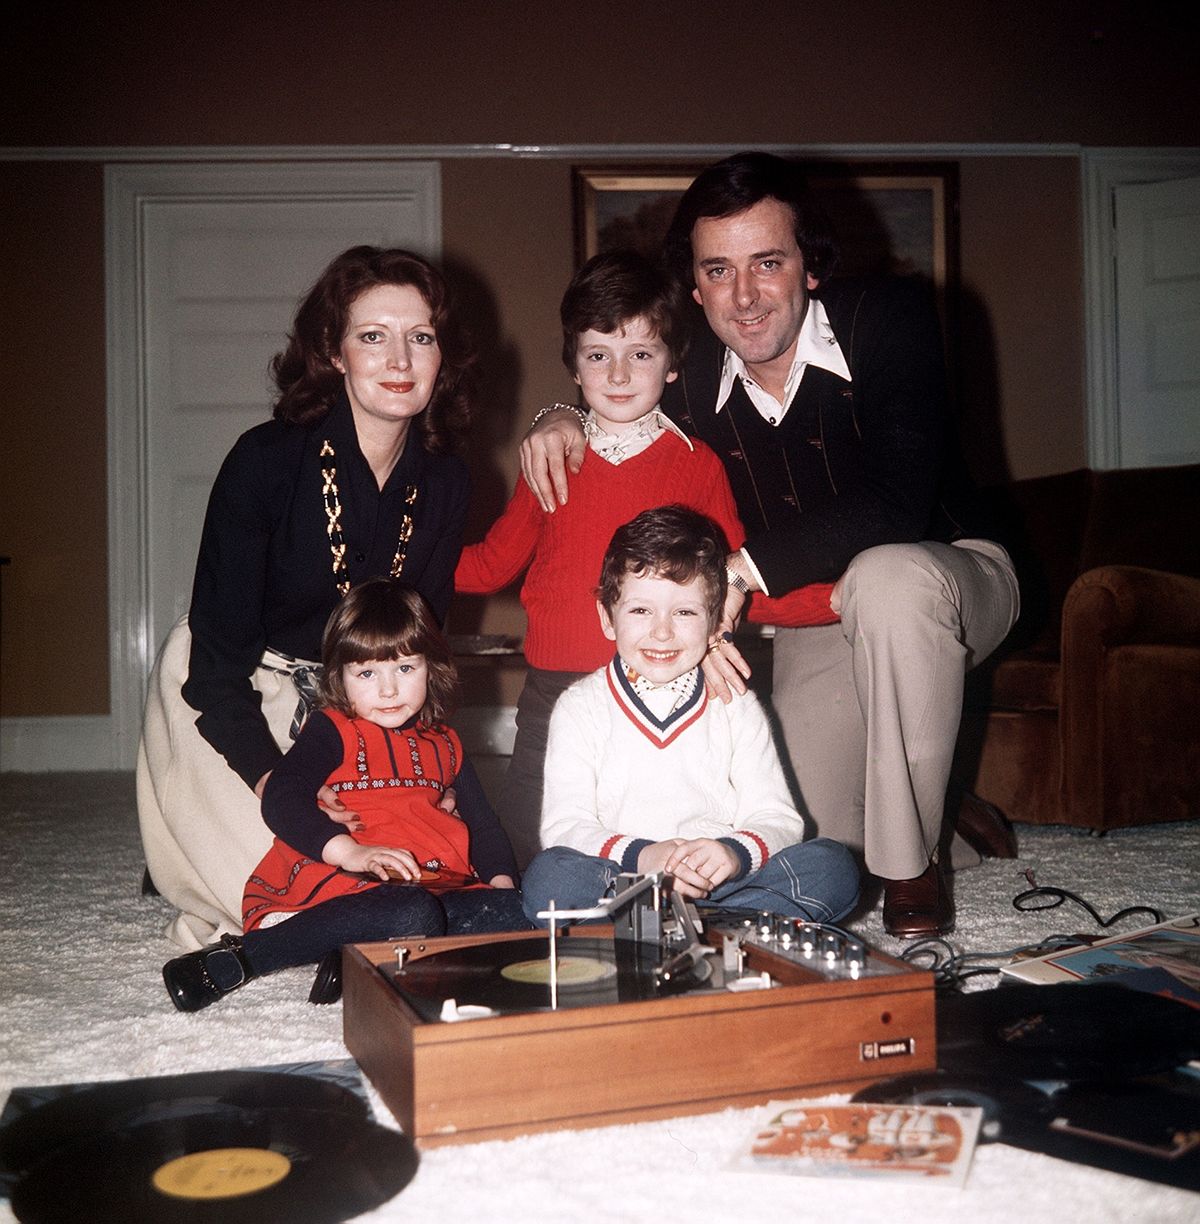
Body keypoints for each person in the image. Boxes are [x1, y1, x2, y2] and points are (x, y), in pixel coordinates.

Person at [520, 153, 1020, 938]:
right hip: (806, 610)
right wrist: (561, 416)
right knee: (817, 836)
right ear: (694, 286)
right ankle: (937, 795)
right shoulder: (688, 371)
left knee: (887, 580)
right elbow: (613, 386)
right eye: (718, 270)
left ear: (810, 267)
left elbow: (897, 502)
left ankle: (914, 864)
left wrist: (734, 578)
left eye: (768, 263)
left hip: (944, 576)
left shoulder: (888, 317)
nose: (744, 297)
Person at [139, 246, 475, 949]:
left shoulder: (446, 481)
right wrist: (270, 783)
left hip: (362, 697)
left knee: (427, 876)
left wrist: (435, 776)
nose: (400, 360)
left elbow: (420, 650)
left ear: (443, 356)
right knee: (281, 898)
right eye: (372, 337)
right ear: (334, 353)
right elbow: (214, 669)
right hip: (234, 688)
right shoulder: (263, 461)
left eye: (421, 337)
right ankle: (186, 823)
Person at [456, 251, 836, 868]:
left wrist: (834, 599)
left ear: (672, 366)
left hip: (668, 684)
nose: (618, 372)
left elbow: (735, 578)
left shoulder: (696, 465)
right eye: (597, 354)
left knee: (660, 824)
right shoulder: (551, 459)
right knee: (532, 844)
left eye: (641, 353)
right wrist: (394, 552)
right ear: (574, 368)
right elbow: (488, 565)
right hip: (555, 690)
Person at [162, 578, 529, 1012]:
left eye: (406, 668)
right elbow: (281, 797)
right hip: (339, 884)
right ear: (339, 676)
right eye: (368, 673)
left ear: (432, 667)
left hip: (435, 885)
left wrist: (501, 888)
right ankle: (245, 956)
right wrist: (350, 853)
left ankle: (358, 955)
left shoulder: (447, 742)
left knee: (524, 911)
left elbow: (484, 825)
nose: (389, 690)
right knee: (414, 915)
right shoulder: (333, 730)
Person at [521, 506, 859, 927]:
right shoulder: (580, 706)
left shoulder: (734, 703)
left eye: (684, 612)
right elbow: (564, 826)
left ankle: (701, 924)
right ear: (607, 618)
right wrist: (648, 857)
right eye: (641, 611)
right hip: (625, 879)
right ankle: (710, 926)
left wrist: (731, 855)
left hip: (720, 884)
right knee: (548, 878)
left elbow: (777, 819)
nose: (662, 632)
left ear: (715, 621)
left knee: (833, 866)